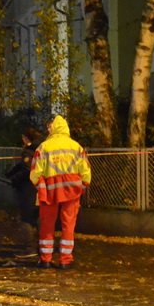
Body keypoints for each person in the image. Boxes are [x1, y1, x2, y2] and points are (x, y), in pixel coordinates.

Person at [29, 115, 92, 269]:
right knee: (68, 225)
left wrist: (40, 186)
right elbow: (86, 172)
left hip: (49, 192)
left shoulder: (43, 147)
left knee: (47, 225)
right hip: (71, 191)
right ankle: (65, 260)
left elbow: (35, 173)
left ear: (53, 128)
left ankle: (45, 259)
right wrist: (81, 187)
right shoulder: (76, 147)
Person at [6, 127, 41, 247]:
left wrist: (14, 178)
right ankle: (41, 245)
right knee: (37, 217)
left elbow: (27, 168)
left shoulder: (28, 151)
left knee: (27, 217)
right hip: (40, 188)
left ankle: (29, 246)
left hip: (28, 188)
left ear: (26, 138)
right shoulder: (40, 149)